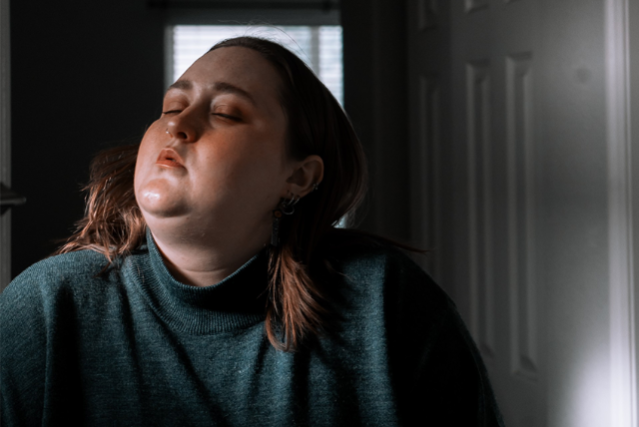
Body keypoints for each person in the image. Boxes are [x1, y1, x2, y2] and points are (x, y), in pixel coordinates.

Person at [0, 36, 505, 426]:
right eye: (172, 106)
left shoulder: (388, 305)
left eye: (225, 112)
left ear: (297, 177)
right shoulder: (46, 308)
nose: (177, 125)